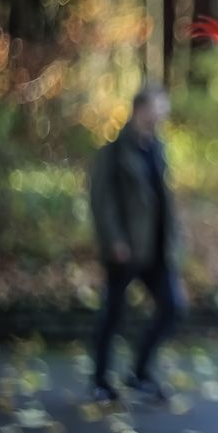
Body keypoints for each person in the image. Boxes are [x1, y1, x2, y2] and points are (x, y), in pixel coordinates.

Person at [88, 84, 185, 403]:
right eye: (160, 106)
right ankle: (101, 381)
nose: (164, 113)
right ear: (141, 109)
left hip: (156, 248)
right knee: (113, 314)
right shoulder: (114, 151)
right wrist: (115, 239)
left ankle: (139, 372)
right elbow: (103, 201)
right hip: (126, 248)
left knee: (171, 308)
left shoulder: (158, 148)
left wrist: (174, 239)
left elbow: (163, 199)